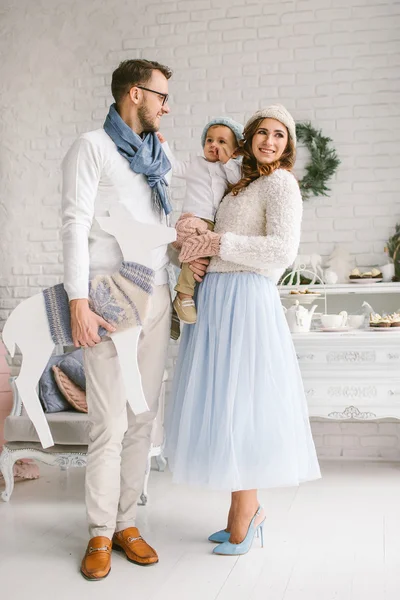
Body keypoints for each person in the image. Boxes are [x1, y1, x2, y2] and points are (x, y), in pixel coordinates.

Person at [61, 58, 207, 581]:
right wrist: (78, 300)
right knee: (109, 422)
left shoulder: (158, 153)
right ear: (135, 95)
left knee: (143, 418)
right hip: (106, 299)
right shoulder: (92, 148)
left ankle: (126, 523)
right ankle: (99, 532)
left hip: (157, 295)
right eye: (161, 96)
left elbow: (158, 223)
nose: (167, 106)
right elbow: (75, 225)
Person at [166, 104, 321, 556]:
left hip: (248, 302)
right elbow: (210, 237)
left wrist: (217, 243)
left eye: (279, 135)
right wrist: (193, 247)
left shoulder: (281, 183)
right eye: (262, 132)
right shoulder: (239, 184)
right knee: (223, 402)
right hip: (217, 300)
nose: (270, 141)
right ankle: (244, 509)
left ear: (287, 144)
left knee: (244, 404)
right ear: (249, 137)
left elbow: (282, 250)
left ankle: (246, 513)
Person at [158, 117, 243, 325]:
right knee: (197, 250)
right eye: (210, 140)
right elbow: (173, 168)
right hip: (192, 219)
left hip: (211, 224)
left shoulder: (229, 169)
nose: (214, 145)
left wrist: (227, 161)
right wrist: (163, 146)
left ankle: (176, 314)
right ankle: (183, 295)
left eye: (222, 142)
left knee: (200, 262)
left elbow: (237, 179)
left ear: (234, 151)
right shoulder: (196, 164)